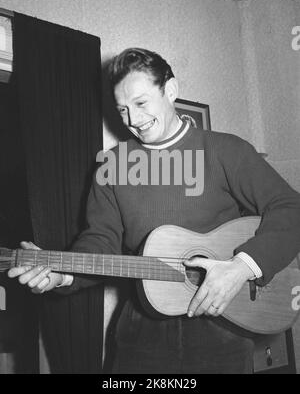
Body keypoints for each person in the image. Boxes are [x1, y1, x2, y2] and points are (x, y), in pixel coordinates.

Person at [8, 48, 300, 373]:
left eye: (141, 103)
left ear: (170, 90)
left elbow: (290, 208)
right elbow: (99, 241)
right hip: (141, 330)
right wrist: (64, 274)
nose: (133, 120)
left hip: (222, 328)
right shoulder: (114, 164)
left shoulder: (226, 150)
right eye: (122, 110)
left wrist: (241, 266)